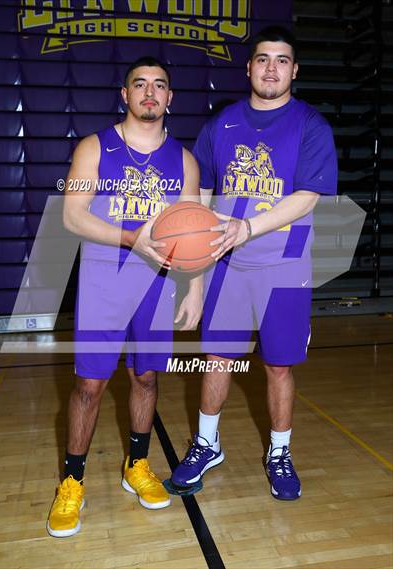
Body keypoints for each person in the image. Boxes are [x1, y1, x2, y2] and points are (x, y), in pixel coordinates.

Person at [172, 26, 338, 500]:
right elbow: (198, 210)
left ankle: (279, 452)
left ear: (294, 70)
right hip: (225, 265)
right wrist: (195, 284)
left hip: (284, 267)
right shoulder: (219, 125)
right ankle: (208, 444)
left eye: (281, 60)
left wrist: (248, 227)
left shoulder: (311, 125)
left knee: (279, 365)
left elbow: (306, 198)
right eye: (263, 59)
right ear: (248, 68)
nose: (271, 68)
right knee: (217, 358)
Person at [47, 57, 202, 537]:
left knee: (147, 379)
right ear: (125, 93)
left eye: (159, 85)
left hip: (156, 286)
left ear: (170, 98)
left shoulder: (185, 160)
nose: (150, 92)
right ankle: (72, 480)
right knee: (89, 386)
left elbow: (195, 229)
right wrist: (131, 237)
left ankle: (136, 464)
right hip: (102, 282)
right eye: (141, 84)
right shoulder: (94, 147)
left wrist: (195, 286)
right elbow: (71, 215)